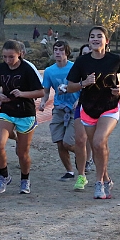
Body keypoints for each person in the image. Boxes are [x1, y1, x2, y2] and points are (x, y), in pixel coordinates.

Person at [66, 26, 120, 199]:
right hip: (88, 108)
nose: (95, 39)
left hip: (109, 106)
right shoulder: (82, 61)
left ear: (106, 40)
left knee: (98, 141)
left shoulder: (115, 59)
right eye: (92, 36)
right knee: (98, 147)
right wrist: (84, 83)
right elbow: (70, 86)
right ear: (88, 40)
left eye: (99, 36)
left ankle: (99, 183)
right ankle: (107, 178)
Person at [0, 40, 45, 195]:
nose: (7, 60)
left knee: (22, 153)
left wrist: (22, 94)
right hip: (7, 111)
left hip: (25, 113)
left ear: (20, 54)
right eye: (4, 57)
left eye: (11, 57)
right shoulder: (1, 68)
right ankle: (4, 176)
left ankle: (25, 179)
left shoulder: (28, 69)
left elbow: (41, 92)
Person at [38, 40, 80, 182]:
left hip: (75, 108)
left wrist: (78, 100)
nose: (58, 52)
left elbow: (83, 87)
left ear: (67, 52)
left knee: (68, 143)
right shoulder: (49, 71)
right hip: (59, 109)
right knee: (59, 142)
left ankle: (84, 155)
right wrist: (43, 102)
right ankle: (69, 171)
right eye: (56, 50)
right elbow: (46, 90)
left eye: (61, 50)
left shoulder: (75, 68)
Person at [71, 44, 95, 191]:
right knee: (80, 140)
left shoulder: (106, 64)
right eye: (84, 53)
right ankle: (81, 175)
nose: (87, 55)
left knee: (97, 141)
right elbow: (71, 85)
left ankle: (103, 176)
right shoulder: (79, 67)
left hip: (101, 107)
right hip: (82, 105)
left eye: (89, 52)